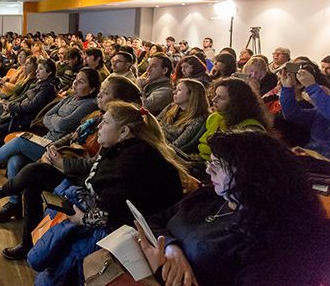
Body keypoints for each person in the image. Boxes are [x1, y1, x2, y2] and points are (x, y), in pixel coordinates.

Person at [0, 76, 144, 260]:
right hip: (68, 158)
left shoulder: (117, 131)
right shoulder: (98, 118)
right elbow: (69, 133)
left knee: (25, 159)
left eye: (105, 93)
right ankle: (24, 232)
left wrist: (62, 163)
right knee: (22, 166)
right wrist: (53, 148)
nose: (99, 96)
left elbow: (92, 167)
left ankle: (2, 187)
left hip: (80, 178)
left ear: (119, 101)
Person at [137, 131, 327, 286]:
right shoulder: (211, 195)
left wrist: (160, 272)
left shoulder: (274, 237)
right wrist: (171, 247)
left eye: (217, 165)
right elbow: (154, 220)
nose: (207, 170)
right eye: (209, 163)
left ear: (250, 172)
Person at [26, 101, 185, 285]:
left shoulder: (134, 158)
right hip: (116, 225)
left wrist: (82, 219)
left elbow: (110, 212)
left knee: (58, 267)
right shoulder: (124, 150)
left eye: (106, 122)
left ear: (124, 131)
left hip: (122, 235)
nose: (99, 126)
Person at [0, 69, 100, 222]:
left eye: (81, 82)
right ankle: (14, 204)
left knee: (19, 141)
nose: (75, 83)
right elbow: (47, 117)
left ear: (92, 88)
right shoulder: (71, 98)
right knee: (15, 159)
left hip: (57, 150)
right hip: (46, 139)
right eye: (76, 79)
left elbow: (64, 124)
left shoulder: (89, 105)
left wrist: (57, 121)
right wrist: (56, 122)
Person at [0, 58, 58, 157]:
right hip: (20, 114)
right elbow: (23, 97)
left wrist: (11, 106)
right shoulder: (39, 83)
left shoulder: (47, 89)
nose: (37, 71)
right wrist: (7, 103)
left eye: (40, 69)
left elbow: (31, 107)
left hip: (27, 120)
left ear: (49, 73)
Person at [197, 78, 271, 161]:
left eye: (221, 98)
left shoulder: (250, 130)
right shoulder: (214, 117)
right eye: (215, 95)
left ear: (236, 103)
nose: (214, 100)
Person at [279, 65, 330, 158]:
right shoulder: (320, 110)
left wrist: (312, 87)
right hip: (311, 154)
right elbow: (292, 115)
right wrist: (287, 88)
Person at [157, 79, 209, 154]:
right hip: (155, 141)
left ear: (191, 95)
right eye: (175, 89)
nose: (174, 92)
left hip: (165, 152)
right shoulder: (171, 107)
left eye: (179, 90)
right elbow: (155, 122)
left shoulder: (198, 119)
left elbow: (177, 145)